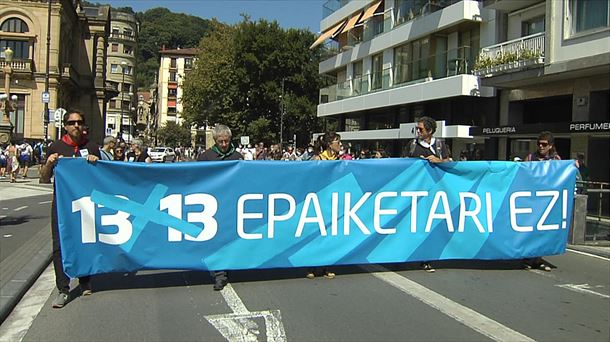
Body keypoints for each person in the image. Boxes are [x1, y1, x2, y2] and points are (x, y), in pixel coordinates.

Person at [39, 109, 100, 308]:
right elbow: (44, 178)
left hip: (86, 206)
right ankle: (63, 289)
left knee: (86, 241)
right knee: (59, 246)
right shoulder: (55, 147)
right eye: (72, 122)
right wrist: (49, 163)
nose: (76, 125)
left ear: (84, 125)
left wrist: (95, 163)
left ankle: (85, 281)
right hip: (62, 206)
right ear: (65, 126)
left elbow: (101, 179)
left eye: (79, 122)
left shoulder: (91, 147)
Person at [196, 124, 243, 291]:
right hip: (211, 206)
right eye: (220, 141)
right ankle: (219, 273)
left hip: (231, 204)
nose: (224, 144)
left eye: (226, 141)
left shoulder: (237, 157)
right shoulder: (205, 157)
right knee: (216, 239)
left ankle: (226, 266)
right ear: (215, 141)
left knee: (229, 238)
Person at [405, 116, 452, 273]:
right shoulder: (412, 145)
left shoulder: (440, 145)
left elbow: (450, 163)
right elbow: (402, 164)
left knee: (430, 225)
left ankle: (427, 258)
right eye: (417, 128)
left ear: (430, 131)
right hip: (415, 193)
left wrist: (438, 160)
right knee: (414, 224)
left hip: (435, 192)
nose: (418, 131)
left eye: (421, 129)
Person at [523, 131, 562, 272]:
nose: (541, 146)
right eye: (539, 143)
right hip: (531, 200)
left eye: (544, 144)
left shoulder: (556, 161)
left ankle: (537, 259)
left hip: (546, 201)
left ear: (550, 146)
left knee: (542, 231)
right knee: (529, 230)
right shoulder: (530, 158)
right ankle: (528, 258)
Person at [306, 132, 342, 280]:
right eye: (337, 142)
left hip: (335, 202)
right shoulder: (318, 159)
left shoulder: (342, 160)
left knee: (331, 235)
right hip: (320, 201)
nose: (340, 144)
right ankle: (312, 266)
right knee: (316, 235)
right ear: (329, 144)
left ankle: (328, 265)